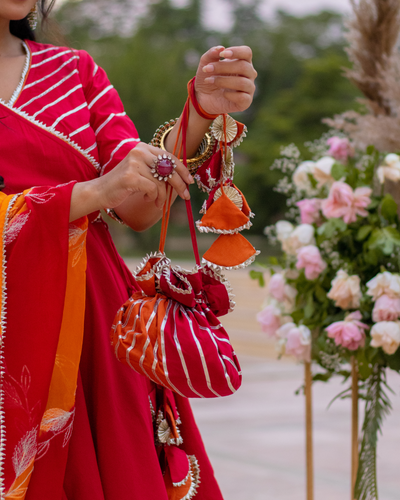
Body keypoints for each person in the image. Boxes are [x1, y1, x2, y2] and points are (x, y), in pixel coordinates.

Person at [0, 0, 257, 498]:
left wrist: (199, 113)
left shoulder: (72, 71)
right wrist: (88, 194)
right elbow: (103, 191)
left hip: (91, 326)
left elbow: (136, 205)